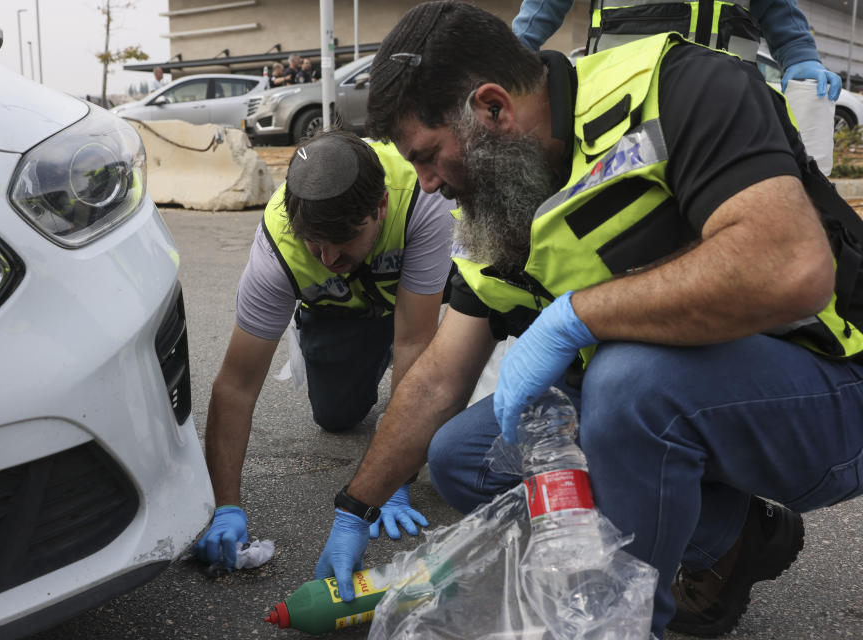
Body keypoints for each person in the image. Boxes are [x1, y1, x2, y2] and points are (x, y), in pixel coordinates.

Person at [313, 2, 863, 637]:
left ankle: (622, 624)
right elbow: (438, 377)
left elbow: (789, 267)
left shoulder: (682, 87)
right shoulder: (505, 196)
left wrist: (576, 316)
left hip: (829, 386)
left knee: (630, 383)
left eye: (429, 155)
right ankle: (732, 539)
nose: (427, 184)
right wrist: (356, 507)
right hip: (687, 397)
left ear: (493, 109)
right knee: (465, 456)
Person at [193, 129, 456, 572]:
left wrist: (394, 476)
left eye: (344, 239)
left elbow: (412, 339)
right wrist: (225, 505)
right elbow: (236, 386)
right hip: (344, 312)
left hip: (416, 301)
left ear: (381, 208)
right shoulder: (276, 249)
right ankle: (354, 346)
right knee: (335, 416)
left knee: (431, 382)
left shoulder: (421, 199)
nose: (328, 257)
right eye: (315, 243)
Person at [512, 0, 841, 100]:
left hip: (728, 108)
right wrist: (513, 51)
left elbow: (778, 11)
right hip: (616, 105)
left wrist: (801, 56)